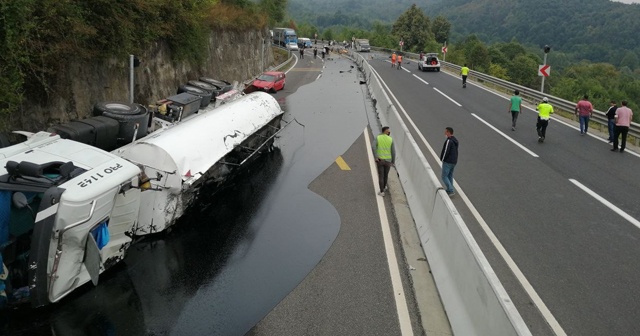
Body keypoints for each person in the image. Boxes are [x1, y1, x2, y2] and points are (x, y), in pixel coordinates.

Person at [374, 126, 395, 197]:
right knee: (386, 175)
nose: (389, 132)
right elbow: (393, 152)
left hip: (380, 160)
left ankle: (382, 191)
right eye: (388, 131)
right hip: (388, 161)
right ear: (385, 131)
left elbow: (373, 146)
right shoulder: (391, 139)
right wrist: (393, 161)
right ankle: (384, 187)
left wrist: (376, 156)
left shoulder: (378, 137)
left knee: (381, 176)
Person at [440, 127, 458, 196]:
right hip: (454, 161)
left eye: (445, 132)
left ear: (448, 132)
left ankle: (451, 190)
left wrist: (442, 159)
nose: (444, 133)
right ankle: (449, 189)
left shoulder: (449, 141)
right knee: (450, 175)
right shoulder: (455, 140)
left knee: (444, 176)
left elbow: (445, 151)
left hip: (448, 161)